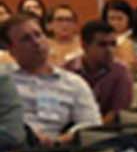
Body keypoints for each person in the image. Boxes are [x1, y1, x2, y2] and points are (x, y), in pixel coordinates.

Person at [4, 14, 100, 145]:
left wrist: (61, 140)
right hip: (10, 148)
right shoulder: (4, 80)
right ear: (11, 50)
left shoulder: (73, 83)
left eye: (38, 35)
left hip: (55, 150)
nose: (36, 42)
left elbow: (92, 123)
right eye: (26, 39)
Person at [66, 19, 133, 126]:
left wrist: (88, 131)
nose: (110, 50)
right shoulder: (67, 71)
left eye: (113, 44)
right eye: (102, 45)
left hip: (105, 132)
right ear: (85, 46)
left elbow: (116, 113)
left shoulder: (121, 72)